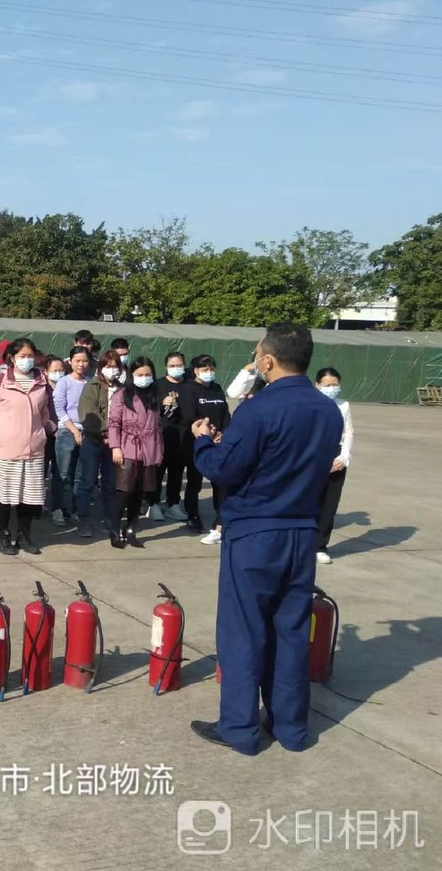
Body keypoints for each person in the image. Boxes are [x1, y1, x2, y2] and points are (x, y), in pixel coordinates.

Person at [189, 323, 343, 755]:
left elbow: (224, 469)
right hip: (301, 532)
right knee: (290, 631)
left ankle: (239, 728)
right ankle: (290, 728)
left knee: (244, 631)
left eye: (257, 354)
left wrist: (204, 442)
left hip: (256, 532)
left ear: (268, 360)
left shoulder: (258, 409)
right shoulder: (328, 411)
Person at [0, 338, 57, 556]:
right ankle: (3, 536)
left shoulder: (42, 382)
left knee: (29, 497)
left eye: (30, 356)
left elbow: (47, 413)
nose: (26, 360)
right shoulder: (0, 381)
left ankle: (24, 535)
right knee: (3, 496)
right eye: (22, 356)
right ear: (12, 358)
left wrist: (43, 431)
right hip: (5, 450)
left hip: (33, 450)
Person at [108, 357, 164, 548]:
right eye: (140, 374)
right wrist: (115, 447)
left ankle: (131, 528)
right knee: (124, 491)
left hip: (149, 450)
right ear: (132, 375)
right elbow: (114, 423)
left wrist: (159, 451)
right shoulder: (122, 395)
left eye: (148, 374)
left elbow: (158, 426)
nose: (144, 378)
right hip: (127, 448)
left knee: (139, 492)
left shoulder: (154, 395)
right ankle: (114, 528)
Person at [75, 350, 125, 538]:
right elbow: (88, 413)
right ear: (101, 368)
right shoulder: (92, 387)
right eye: (108, 366)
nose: (112, 370)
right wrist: (106, 433)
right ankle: (83, 520)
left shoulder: (123, 389)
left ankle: (109, 519)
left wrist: (115, 438)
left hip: (115, 444)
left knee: (110, 483)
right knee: (87, 481)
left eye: (115, 366)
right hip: (94, 441)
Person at [182, 354, 231, 544]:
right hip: (197, 440)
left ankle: (220, 520)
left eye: (211, 369)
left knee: (220, 483)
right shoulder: (188, 389)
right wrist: (206, 433)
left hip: (219, 442)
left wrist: (223, 433)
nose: (209, 372)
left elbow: (225, 413)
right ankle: (193, 516)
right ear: (195, 370)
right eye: (204, 369)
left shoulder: (217, 388)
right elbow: (188, 415)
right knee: (194, 481)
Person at [314, 367, 352, 565]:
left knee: (329, 503)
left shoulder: (343, 405)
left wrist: (343, 457)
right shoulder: (309, 403)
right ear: (317, 385)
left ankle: (320, 546)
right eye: (327, 385)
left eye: (335, 385)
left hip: (335, 455)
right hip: (312, 456)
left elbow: (348, 434)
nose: (332, 388)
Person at [51, 346, 90, 527]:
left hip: (87, 432)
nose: (81, 364)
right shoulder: (64, 382)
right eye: (77, 361)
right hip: (67, 431)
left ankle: (74, 509)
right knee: (63, 473)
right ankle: (58, 508)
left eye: (84, 361)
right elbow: (59, 408)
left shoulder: (91, 382)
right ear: (71, 362)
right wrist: (74, 431)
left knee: (80, 475)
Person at [151, 351, 188, 522]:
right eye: (172, 366)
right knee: (157, 472)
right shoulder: (157, 385)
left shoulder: (189, 385)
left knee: (177, 473)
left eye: (179, 365)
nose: (176, 368)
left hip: (182, 436)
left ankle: (173, 504)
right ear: (166, 367)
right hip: (162, 435)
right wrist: (161, 403)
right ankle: (153, 503)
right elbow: (148, 407)